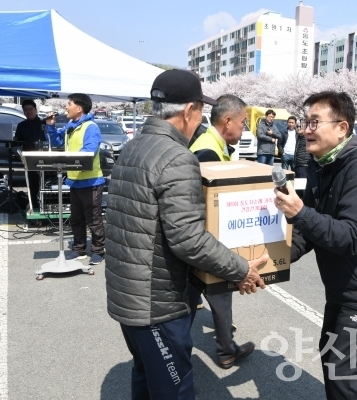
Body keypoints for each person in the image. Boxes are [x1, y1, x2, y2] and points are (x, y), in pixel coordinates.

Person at [104, 69, 268, 400]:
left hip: (127, 293)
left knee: (144, 376)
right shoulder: (176, 157)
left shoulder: (134, 147)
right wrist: (241, 269)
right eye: (201, 111)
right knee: (174, 389)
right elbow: (188, 239)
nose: (201, 119)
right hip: (157, 303)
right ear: (189, 110)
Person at [273, 91, 357, 400]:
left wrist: (299, 213)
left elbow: (352, 236)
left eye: (314, 122)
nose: (306, 129)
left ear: (342, 127)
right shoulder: (325, 165)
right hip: (343, 290)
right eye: (305, 122)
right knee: (334, 364)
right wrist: (268, 262)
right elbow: (312, 230)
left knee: (345, 380)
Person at [187, 94, 255, 369]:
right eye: (242, 123)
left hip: (198, 240)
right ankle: (225, 350)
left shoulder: (212, 144)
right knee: (217, 291)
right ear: (227, 121)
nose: (244, 128)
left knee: (194, 294)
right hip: (205, 240)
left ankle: (221, 346)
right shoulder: (208, 152)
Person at [45, 93, 106, 266]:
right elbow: (56, 141)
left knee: (94, 220)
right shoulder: (71, 126)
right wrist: (50, 126)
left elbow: (90, 150)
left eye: (69, 104)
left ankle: (98, 251)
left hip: (91, 182)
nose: (66, 107)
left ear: (79, 108)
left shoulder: (91, 127)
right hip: (74, 181)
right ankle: (79, 249)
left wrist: (68, 159)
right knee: (76, 218)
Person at [15, 99, 45, 208]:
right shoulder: (21, 125)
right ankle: (34, 205)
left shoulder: (44, 123)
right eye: (26, 110)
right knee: (32, 184)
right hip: (29, 159)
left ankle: (45, 205)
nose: (29, 112)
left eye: (31, 109)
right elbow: (17, 141)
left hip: (44, 158)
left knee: (44, 183)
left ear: (36, 110)